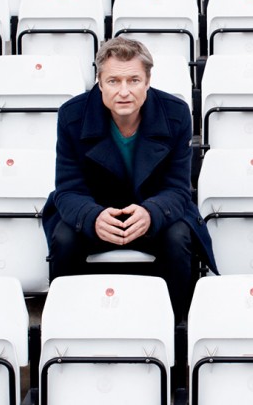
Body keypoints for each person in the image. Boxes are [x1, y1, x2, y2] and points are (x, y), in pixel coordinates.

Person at [42, 37, 216, 321]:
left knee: (179, 236)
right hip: (96, 216)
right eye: (113, 81)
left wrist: (151, 212)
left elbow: (178, 189)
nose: (124, 91)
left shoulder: (175, 114)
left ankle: (174, 327)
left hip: (154, 218)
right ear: (99, 82)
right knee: (64, 237)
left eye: (134, 80)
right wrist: (92, 217)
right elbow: (67, 188)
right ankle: (66, 323)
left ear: (147, 81)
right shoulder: (72, 116)